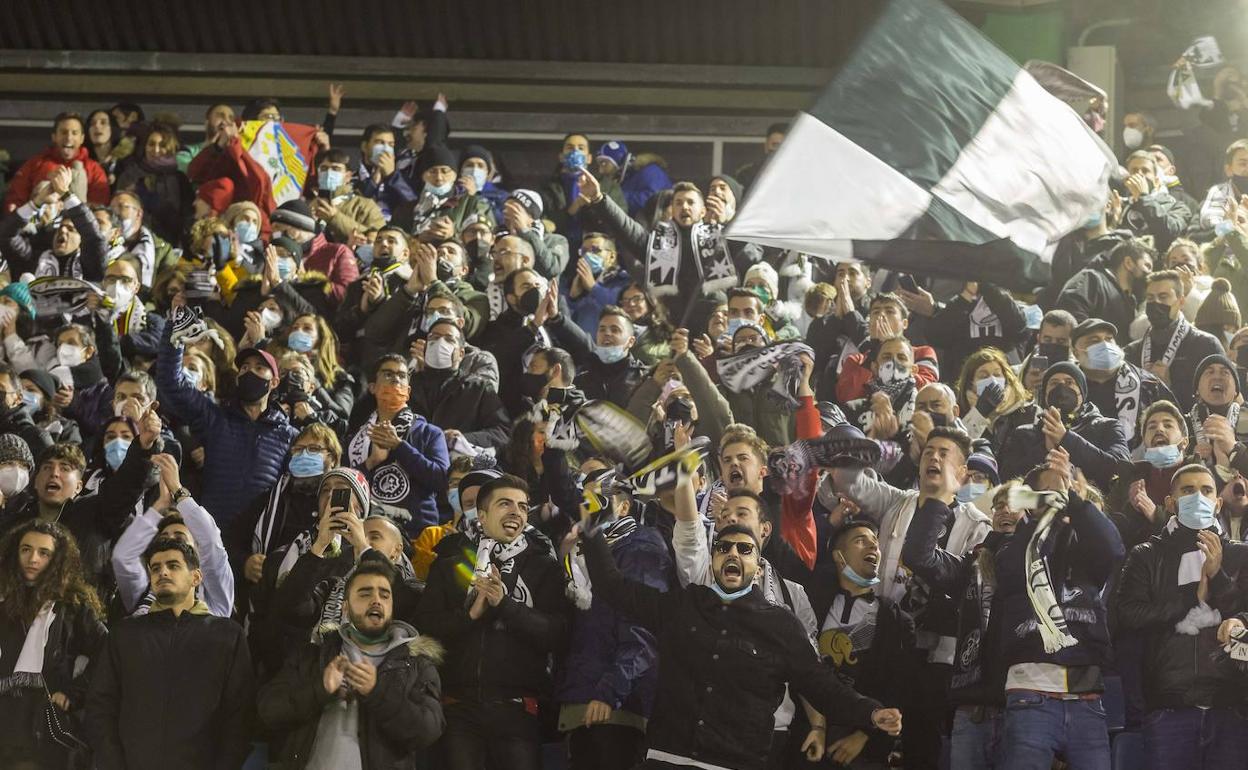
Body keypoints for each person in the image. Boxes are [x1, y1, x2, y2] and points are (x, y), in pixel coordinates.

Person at [581, 517, 902, 770]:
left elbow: (822, 686)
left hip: (734, 764)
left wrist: (870, 714)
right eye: (723, 548)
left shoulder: (781, 626)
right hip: (667, 758)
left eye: (745, 549)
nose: (733, 553)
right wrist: (590, 524)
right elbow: (613, 586)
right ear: (713, 562)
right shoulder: (682, 606)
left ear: (759, 567)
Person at [415, 474, 570, 770]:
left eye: (523, 507)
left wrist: (505, 605)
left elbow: (557, 635)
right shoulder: (449, 563)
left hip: (518, 712)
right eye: (505, 504)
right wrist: (469, 616)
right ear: (482, 516)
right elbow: (425, 626)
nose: (516, 513)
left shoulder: (544, 566)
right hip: (457, 710)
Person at [1114, 462, 1248, 770]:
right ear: (1170, 502)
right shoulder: (1146, 554)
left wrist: (1219, 579)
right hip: (1168, 708)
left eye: (1206, 490)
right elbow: (1126, 615)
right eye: (1187, 491)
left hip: (1231, 709)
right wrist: (1190, 599)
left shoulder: (1242, 555)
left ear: (1218, 502)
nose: (1197, 497)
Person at [258, 557, 446, 769]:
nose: (376, 600)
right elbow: (268, 711)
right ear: (345, 608)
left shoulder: (416, 664)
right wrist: (320, 689)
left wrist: (377, 693)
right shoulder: (313, 653)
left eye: (385, 595)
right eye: (365, 593)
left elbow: (428, 731)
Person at [85, 538, 253, 770]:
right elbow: (101, 707)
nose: (162, 572)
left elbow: (239, 715)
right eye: (155, 568)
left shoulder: (227, 635)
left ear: (196, 577)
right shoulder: (124, 634)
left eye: (173, 565)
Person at [902, 479, 1025, 769]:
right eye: (998, 506)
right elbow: (918, 555)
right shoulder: (973, 565)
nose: (1004, 511)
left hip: (1027, 706)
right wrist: (938, 501)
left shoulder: (1045, 566)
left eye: (1014, 505)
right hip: (972, 707)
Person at [557, 469, 671, 770]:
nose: (591, 507)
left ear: (623, 507)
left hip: (616, 705)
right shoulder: (579, 554)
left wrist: (610, 692)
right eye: (587, 500)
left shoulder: (641, 545)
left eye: (600, 499)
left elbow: (642, 629)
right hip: (583, 698)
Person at [156, 323, 298, 528]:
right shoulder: (215, 418)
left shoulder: (289, 435)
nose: (250, 372)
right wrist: (174, 332)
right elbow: (172, 383)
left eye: (259, 368)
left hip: (257, 541)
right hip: (211, 534)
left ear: (274, 382)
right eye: (245, 368)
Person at [0, 519, 108, 770]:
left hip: (40, 724)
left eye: (44, 553)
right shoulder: (4, 602)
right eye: (26, 549)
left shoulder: (73, 606)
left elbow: (108, 652)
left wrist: (74, 692)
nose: (32, 558)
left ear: (58, 559)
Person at [110, 453, 233, 618]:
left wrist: (178, 490)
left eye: (180, 537)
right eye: (164, 537)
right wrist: (160, 505)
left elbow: (211, 541)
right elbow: (122, 557)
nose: (170, 541)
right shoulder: (145, 589)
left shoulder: (214, 600)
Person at [345, 354, 448, 534]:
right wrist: (372, 462)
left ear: (408, 391)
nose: (395, 379)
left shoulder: (429, 433)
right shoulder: (356, 440)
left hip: (417, 534)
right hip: (365, 530)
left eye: (401, 376)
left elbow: (441, 480)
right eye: (387, 374)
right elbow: (343, 486)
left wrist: (399, 446)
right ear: (372, 387)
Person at [999, 362, 1129, 490]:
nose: (1061, 388)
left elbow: (1121, 469)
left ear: (1081, 391)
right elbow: (1007, 479)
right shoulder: (1023, 434)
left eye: (1069, 382)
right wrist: (1044, 450)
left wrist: (1066, 439)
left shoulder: (1108, 426)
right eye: (1054, 383)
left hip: (1092, 506)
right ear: (1045, 394)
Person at [1124, 269, 1223, 410]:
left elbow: (1218, 401)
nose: (1156, 303)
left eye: (1163, 297)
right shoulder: (1131, 352)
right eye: (1150, 298)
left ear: (1181, 301)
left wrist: (1168, 389)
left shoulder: (1206, 345)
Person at [1070, 318, 1175, 450]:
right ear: (1076, 352)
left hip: (1138, 464)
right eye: (1094, 341)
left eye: (1109, 339)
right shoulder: (1065, 385)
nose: (1104, 345)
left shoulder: (1147, 384)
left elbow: (1176, 425)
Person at [0, 168, 109, 281]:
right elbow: (6, 235)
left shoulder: (90, 265)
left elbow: (94, 238)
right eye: (60, 227)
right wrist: (37, 202)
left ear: (81, 240)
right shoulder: (32, 258)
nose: (63, 230)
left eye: (71, 229)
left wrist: (65, 194)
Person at [4, 113, 109, 213]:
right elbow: (15, 199)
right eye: (64, 132)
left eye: (74, 133)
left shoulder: (94, 170)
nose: (68, 137)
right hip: (38, 226)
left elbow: (99, 207)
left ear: (82, 138)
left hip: (76, 228)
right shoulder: (35, 164)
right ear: (54, 137)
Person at [1055, 237, 1153, 341]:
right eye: (1147, 266)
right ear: (1128, 263)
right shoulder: (1090, 280)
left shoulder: (1131, 301)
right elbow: (1072, 320)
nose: (1150, 274)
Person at [270, 198, 360, 306]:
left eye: (277, 227)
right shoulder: (272, 252)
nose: (274, 233)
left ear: (297, 227)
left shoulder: (337, 252)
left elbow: (349, 296)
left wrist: (307, 281)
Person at [734, 121, 787, 190]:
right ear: (766, 147)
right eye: (775, 145)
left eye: (784, 146)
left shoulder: (800, 175)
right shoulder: (747, 174)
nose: (778, 150)